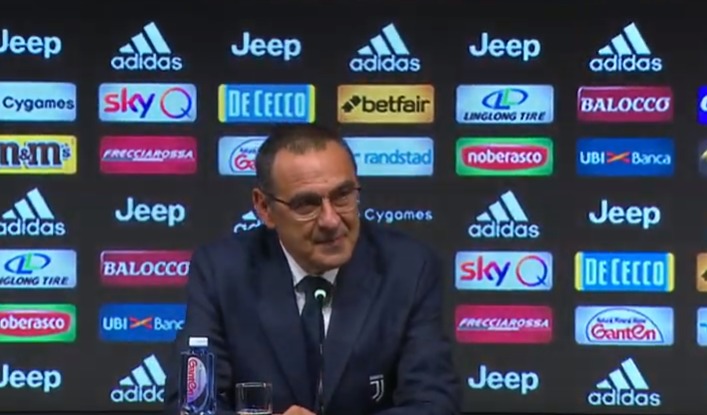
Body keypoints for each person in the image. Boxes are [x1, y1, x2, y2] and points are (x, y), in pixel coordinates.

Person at [163, 124, 460, 415]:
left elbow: (434, 402)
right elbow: (191, 404)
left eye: (343, 196)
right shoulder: (221, 271)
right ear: (264, 207)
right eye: (306, 204)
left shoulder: (408, 268)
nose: (331, 220)